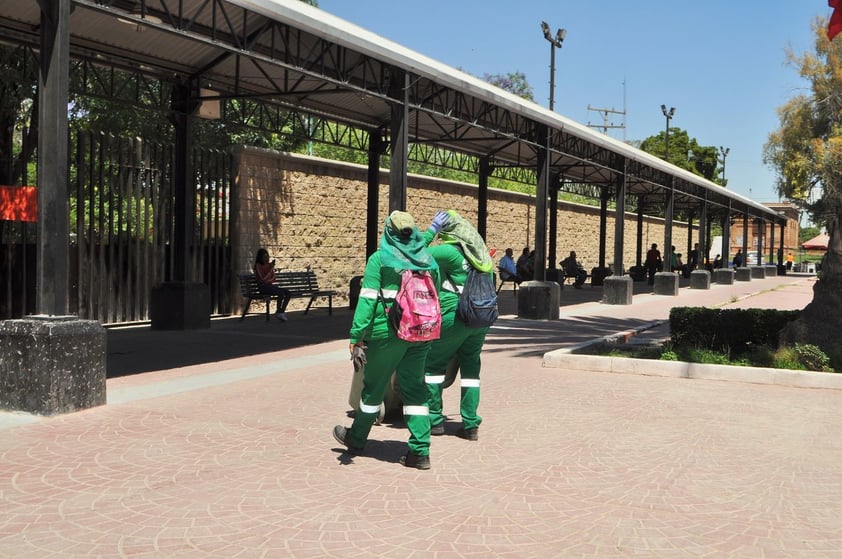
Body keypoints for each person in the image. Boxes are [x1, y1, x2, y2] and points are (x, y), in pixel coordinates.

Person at [333, 210, 441, 470]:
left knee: (373, 388)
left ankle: (357, 438)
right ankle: (420, 451)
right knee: (415, 389)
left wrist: (356, 336)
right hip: (421, 332)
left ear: (389, 232)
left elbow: (368, 300)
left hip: (387, 334)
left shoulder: (380, 259)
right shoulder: (429, 261)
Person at [422, 210, 494, 441]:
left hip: (455, 315)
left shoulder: (448, 252)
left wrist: (431, 232)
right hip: (481, 319)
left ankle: (434, 420)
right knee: (471, 370)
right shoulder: (483, 257)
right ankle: (471, 424)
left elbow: (414, 253)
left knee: (433, 365)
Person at [253, 248, 291, 321]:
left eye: (267, 257)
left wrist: (270, 272)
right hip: (263, 288)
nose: (267, 259)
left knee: (288, 293)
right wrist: (270, 270)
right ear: (260, 258)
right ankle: (279, 312)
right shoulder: (258, 266)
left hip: (269, 286)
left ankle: (281, 311)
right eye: (264, 257)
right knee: (281, 293)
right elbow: (262, 279)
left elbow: (273, 278)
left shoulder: (268, 265)